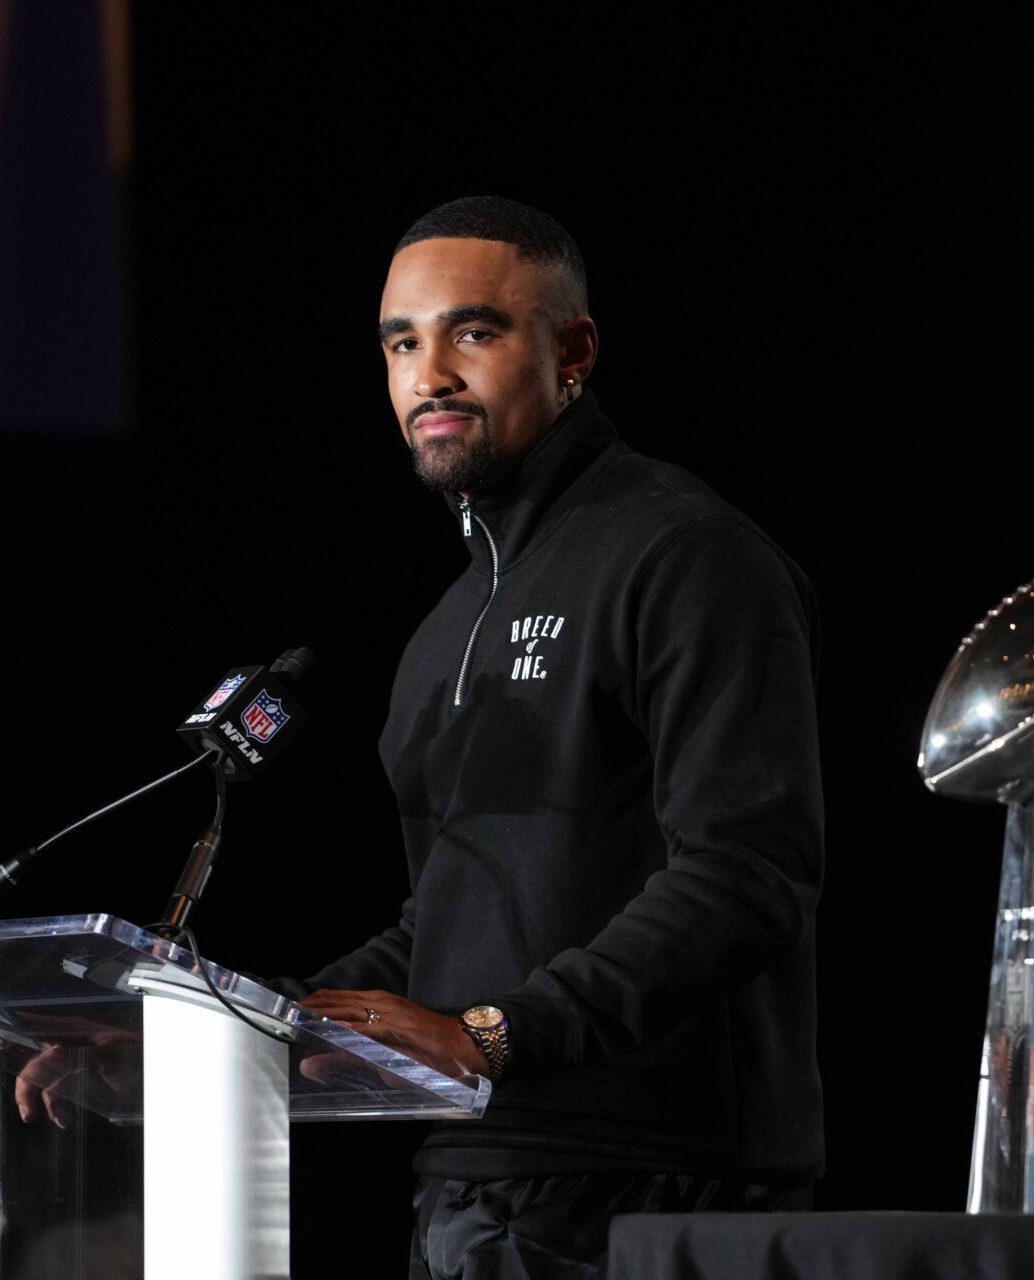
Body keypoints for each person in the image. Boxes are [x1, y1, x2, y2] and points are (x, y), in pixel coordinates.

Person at [283, 195, 825, 1279]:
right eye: (402, 342)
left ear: (572, 352)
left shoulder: (684, 553)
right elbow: (443, 921)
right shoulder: (445, 628)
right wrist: (238, 1036)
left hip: (657, 1179)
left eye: (471, 332)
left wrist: (497, 1033)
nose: (429, 371)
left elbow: (748, 869)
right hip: (471, 1173)